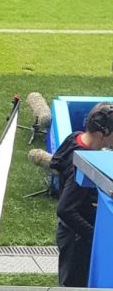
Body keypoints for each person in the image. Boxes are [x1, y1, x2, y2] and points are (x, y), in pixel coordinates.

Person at [52, 102, 113, 287]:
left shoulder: (75, 138)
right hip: (77, 241)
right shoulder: (81, 166)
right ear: (104, 133)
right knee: (75, 286)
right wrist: (96, 236)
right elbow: (65, 210)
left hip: (72, 235)